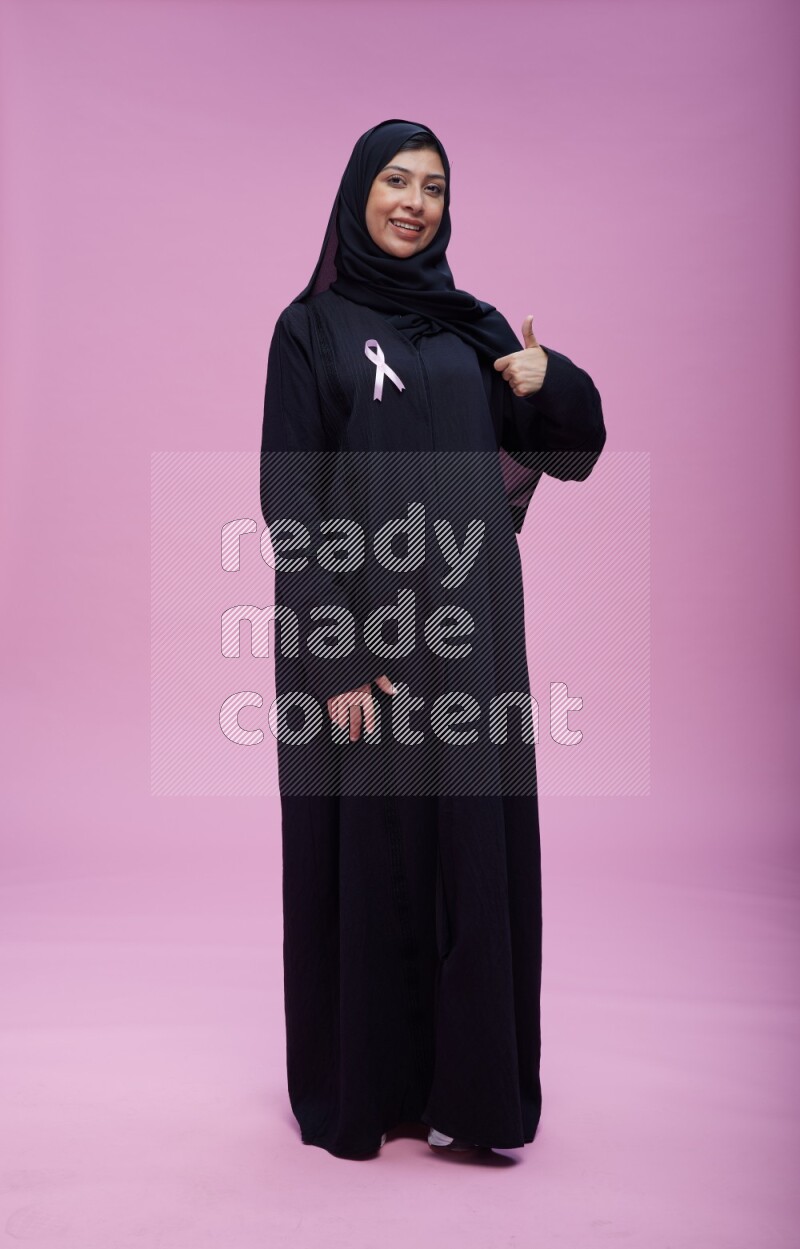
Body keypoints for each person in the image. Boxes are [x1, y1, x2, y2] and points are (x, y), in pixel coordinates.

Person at [259, 119, 606, 1160]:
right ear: (358, 192)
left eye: (433, 187)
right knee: (374, 850)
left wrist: (554, 378)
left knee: (469, 843)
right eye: (395, 181)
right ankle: (369, 1089)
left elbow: (569, 450)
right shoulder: (309, 328)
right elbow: (292, 499)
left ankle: (473, 1093)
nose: (414, 201)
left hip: (468, 637)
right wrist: (332, 656)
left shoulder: (471, 325)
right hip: (359, 632)